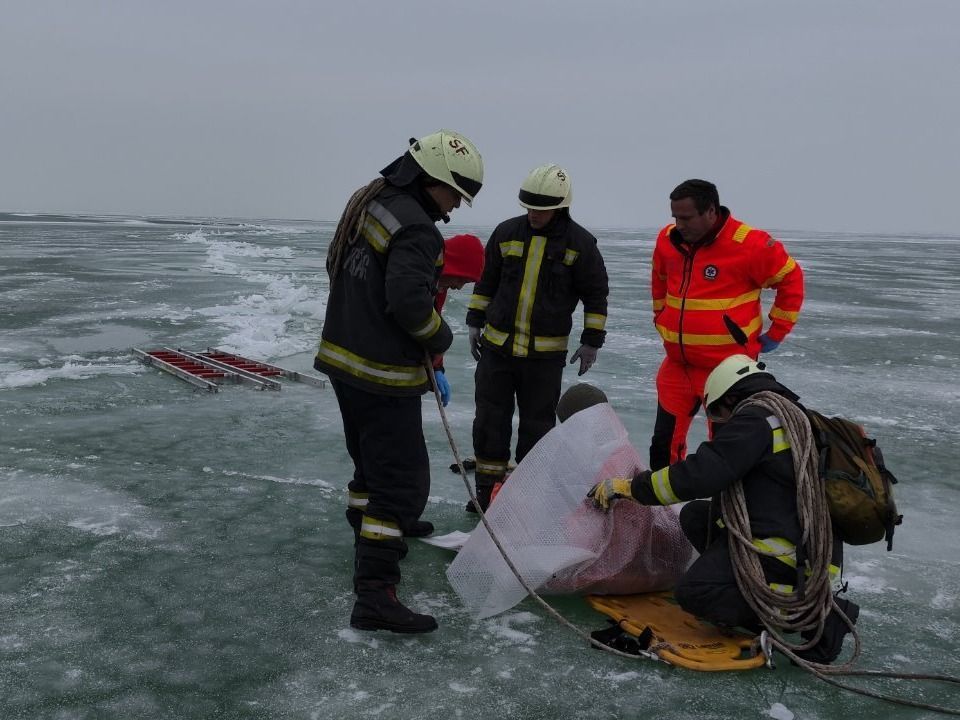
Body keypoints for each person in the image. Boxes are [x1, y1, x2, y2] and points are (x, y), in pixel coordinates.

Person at [315, 129, 483, 633]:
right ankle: (375, 593)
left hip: (346, 362)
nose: (453, 209)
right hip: (382, 374)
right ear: (431, 179)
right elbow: (410, 304)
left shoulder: (371, 205)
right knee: (401, 484)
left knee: (370, 468)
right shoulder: (415, 227)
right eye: (455, 193)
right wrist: (441, 340)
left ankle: (368, 534)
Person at [588, 355, 858, 664]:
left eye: (719, 412)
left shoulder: (756, 421)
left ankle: (813, 619)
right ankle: (750, 587)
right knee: (695, 517)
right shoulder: (794, 416)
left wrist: (630, 488)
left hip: (788, 553)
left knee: (694, 592)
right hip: (806, 546)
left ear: (732, 396)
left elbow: (700, 474)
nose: (721, 421)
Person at [465, 163, 609, 512]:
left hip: (544, 360)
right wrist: (474, 321)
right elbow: (487, 283)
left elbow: (596, 294)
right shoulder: (506, 232)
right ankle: (487, 493)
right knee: (489, 423)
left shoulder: (581, 244)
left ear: (560, 206)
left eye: (541, 209)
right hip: (497, 351)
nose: (533, 214)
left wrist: (592, 340)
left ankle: (523, 499)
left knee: (536, 429)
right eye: (529, 207)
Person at [649, 179, 804, 472]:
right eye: (674, 217)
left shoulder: (749, 244)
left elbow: (791, 278)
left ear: (710, 211)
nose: (678, 225)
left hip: (728, 371)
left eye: (686, 218)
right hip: (677, 366)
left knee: (726, 453)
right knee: (662, 445)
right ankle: (662, 513)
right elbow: (659, 279)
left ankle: (724, 514)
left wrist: (777, 331)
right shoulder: (667, 240)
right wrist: (661, 318)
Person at [431, 233, 485, 408]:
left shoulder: (439, 286)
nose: (458, 287)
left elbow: (432, 326)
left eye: (466, 283)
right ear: (452, 267)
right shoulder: (418, 278)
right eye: (461, 279)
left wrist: (437, 368)